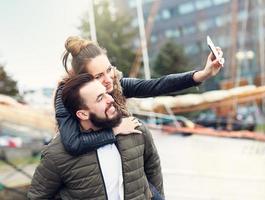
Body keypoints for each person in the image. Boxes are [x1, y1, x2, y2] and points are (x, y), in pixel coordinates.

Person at [55, 36, 224, 156]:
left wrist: (202, 74)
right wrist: (117, 130)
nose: (108, 80)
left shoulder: (116, 85)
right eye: (98, 76)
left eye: (108, 70)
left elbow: (157, 85)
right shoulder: (66, 97)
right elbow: (73, 143)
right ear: (82, 80)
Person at [28, 73, 164, 200]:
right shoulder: (56, 154)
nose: (110, 99)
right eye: (100, 98)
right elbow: (37, 197)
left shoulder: (135, 128)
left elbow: (153, 169)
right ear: (83, 114)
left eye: (106, 93)